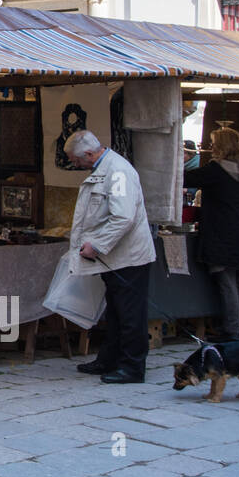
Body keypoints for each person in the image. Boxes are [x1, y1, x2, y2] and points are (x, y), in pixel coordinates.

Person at [65, 130, 156, 383]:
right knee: (116, 312)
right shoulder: (105, 168)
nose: (75, 165)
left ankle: (133, 366)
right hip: (115, 257)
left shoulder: (118, 172)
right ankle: (110, 359)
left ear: (90, 154)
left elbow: (123, 217)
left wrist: (98, 245)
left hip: (129, 257)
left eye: (75, 160)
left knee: (130, 314)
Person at [183, 128, 239, 343]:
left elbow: (183, 178)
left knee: (227, 283)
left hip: (221, 235)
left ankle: (232, 331)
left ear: (220, 146)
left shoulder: (215, 170)